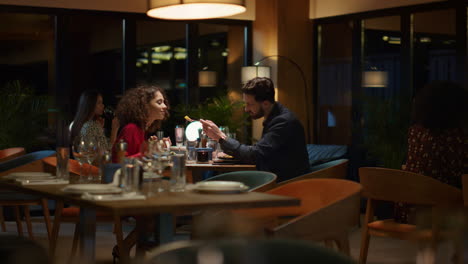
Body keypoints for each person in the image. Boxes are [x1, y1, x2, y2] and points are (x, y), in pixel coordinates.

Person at [200, 77, 309, 182]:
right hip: (272, 177)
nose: (246, 109)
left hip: (286, 184)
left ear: (265, 103)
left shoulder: (284, 122)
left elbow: (255, 155)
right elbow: (260, 152)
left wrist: (221, 137)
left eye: (250, 104)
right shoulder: (275, 117)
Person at [395, 81, 468, 223]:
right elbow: (460, 173)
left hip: (408, 208)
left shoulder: (416, 131)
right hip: (438, 212)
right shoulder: (456, 137)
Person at [112, 84, 170, 161]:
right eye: (159, 102)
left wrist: (151, 145)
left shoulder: (142, 129)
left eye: (164, 102)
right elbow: (120, 162)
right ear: (145, 105)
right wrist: (151, 150)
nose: (165, 106)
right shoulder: (131, 129)